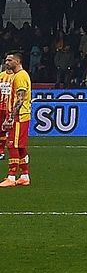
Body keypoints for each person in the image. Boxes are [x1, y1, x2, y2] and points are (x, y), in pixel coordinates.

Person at [0, 53, 29, 187]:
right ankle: (24, 176)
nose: (7, 62)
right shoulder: (18, 75)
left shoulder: (20, 76)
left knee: (12, 145)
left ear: (17, 61)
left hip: (19, 116)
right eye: (6, 60)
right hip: (21, 116)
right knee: (21, 146)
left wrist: (11, 117)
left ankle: (11, 177)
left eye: (10, 60)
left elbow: (20, 98)